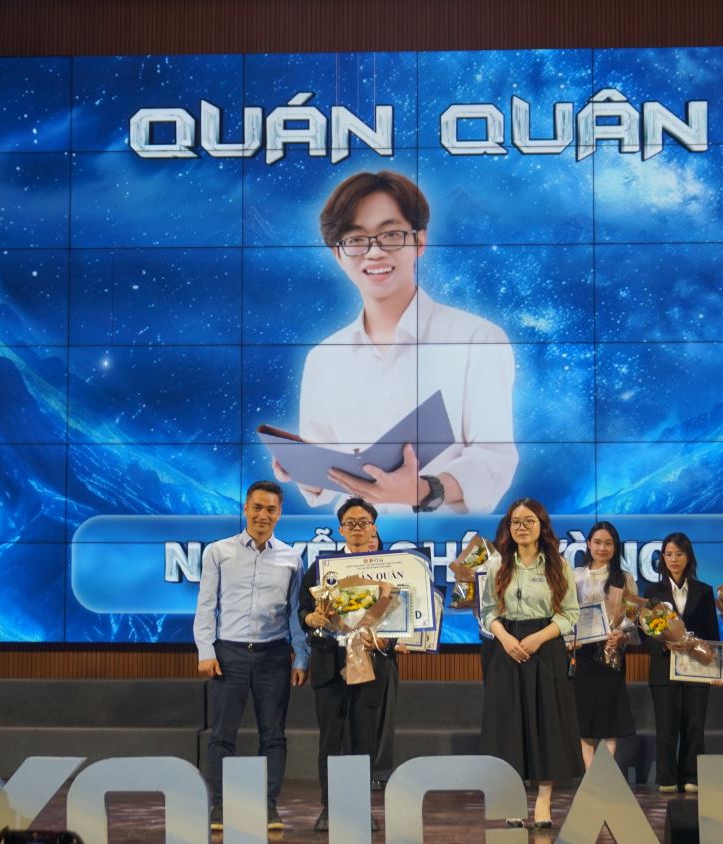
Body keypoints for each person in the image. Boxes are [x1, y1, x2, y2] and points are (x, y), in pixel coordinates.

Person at [272, 170, 517, 514]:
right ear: (338, 254)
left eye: (391, 235)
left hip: (445, 540)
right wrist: (303, 470)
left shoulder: (476, 339)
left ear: (419, 241)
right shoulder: (323, 358)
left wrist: (423, 489)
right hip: (358, 541)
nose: (374, 252)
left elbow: (494, 458)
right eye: (356, 239)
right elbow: (324, 484)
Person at [193, 481, 309, 831]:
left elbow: (295, 613)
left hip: (273, 655)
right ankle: (220, 806)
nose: (263, 515)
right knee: (221, 735)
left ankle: (268, 806)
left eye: (270, 509)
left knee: (273, 735)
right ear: (245, 508)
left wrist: (301, 657)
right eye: (257, 507)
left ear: (279, 513)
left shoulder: (292, 558)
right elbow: (206, 605)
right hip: (228, 654)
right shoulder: (218, 552)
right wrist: (205, 651)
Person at [479, 498, 582, 828]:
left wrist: (538, 638)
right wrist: (504, 638)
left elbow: (570, 614)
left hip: (546, 648)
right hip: (506, 649)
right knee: (509, 725)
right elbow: (487, 611)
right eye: (515, 522)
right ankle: (513, 797)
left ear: (542, 526)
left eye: (528, 521)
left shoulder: (557, 565)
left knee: (546, 722)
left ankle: (543, 801)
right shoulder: (497, 565)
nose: (521, 528)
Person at [298, 498, 391, 832]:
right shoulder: (322, 567)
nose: (357, 528)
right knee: (331, 739)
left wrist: (385, 641)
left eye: (363, 522)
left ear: (373, 527)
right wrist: (311, 617)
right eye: (350, 523)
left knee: (363, 739)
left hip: (368, 663)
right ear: (340, 529)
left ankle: (360, 807)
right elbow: (302, 610)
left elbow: (400, 619)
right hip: (329, 662)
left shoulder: (389, 568)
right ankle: (329, 808)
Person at [643, 533, 722, 794]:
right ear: (663, 559)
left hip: (697, 668)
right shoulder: (653, 592)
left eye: (679, 554)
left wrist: (714, 667)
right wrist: (664, 644)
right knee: (666, 725)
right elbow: (645, 634)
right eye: (668, 554)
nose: (673, 559)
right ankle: (666, 777)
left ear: (688, 557)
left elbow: (712, 633)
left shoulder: (704, 591)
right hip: (664, 667)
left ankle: (692, 775)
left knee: (694, 724)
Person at [569, 521, 637, 766]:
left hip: (610, 653)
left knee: (610, 721)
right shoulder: (574, 576)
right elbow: (565, 613)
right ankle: (591, 778)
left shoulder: (624, 579)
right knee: (584, 721)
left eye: (608, 543)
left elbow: (633, 619)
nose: (602, 548)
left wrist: (621, 635)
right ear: (588, 544)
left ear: (615, 547)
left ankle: (606, 777)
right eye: (597, 542)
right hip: (582, 654)